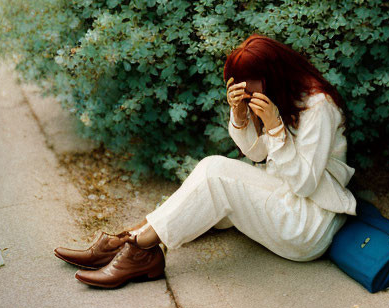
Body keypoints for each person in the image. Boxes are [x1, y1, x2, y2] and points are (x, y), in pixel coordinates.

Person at [53, 34, 358, 288]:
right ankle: (128, 241)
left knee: (214, 173)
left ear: (271, 76)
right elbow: (258, 155)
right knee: (211, 173)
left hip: (308, 224)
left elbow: (304, 184)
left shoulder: (319, 107)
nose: (249, 97)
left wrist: (276, 127)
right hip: (281, 195)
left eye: (250, 90)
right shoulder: (284, 96)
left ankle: (140, 250)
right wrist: (240, 118)